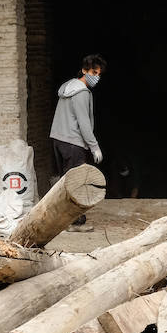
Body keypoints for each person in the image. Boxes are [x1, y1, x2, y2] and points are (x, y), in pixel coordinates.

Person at [50, 53, 106, 228]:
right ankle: (71, 220)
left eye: (99, 74)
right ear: (84, 70)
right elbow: (84, 123)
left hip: (58, 139)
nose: (96, 77)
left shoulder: (67, 88)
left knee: (64, 181)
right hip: (73, 143)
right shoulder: (82, 93)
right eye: (93, 72)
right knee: (75, 182)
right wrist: (94, 146)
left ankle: (63, 216)